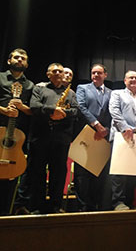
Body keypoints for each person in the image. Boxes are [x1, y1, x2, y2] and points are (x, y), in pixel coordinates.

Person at [26, 63, 79, 213]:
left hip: (61, 139)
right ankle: (37, 206)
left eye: (60, 71)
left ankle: (56, 206)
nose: (57, 73)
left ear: (64, 74)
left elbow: (76, 111)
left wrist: (62, 113)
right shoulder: (39, 89)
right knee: (37, 172)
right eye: (54, 71)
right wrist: (51, 111)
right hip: (40, 137)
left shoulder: (70, 93)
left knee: (59, 173)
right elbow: (34, 106)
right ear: (48, 74)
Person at [108, 70, 136, 210]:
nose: (134, 80)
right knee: (119, 172)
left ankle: (130, 202)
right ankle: (118, 202)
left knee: (134, 172)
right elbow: (114, 110)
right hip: (122, 136)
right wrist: (124, 127)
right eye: (131, 77)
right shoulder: (117, 93)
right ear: (125, 80)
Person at [0, 48, 33, 215]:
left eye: (23, 58)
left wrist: (21, 107)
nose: (20, 60)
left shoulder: (29, 85)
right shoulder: (0, 78)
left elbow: (32, 111)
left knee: (12, 176)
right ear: (9, 60)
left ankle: (8, 213)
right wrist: (4, 110)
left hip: (16, 136)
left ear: (26, 63)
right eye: (17, 57)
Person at [74, 64, 112, 211]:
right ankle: (82, 207)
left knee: (99, 174)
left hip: (103, 137)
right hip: (86, 134)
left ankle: (95, 206)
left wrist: (107, 130)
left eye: (99, 73)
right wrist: (96, 125)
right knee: (82, 175)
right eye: (93, 73)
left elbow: (113, 113)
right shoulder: (82, 88)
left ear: (105, 75)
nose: (96, 75)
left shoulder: (111, 93)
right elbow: (81, 107)